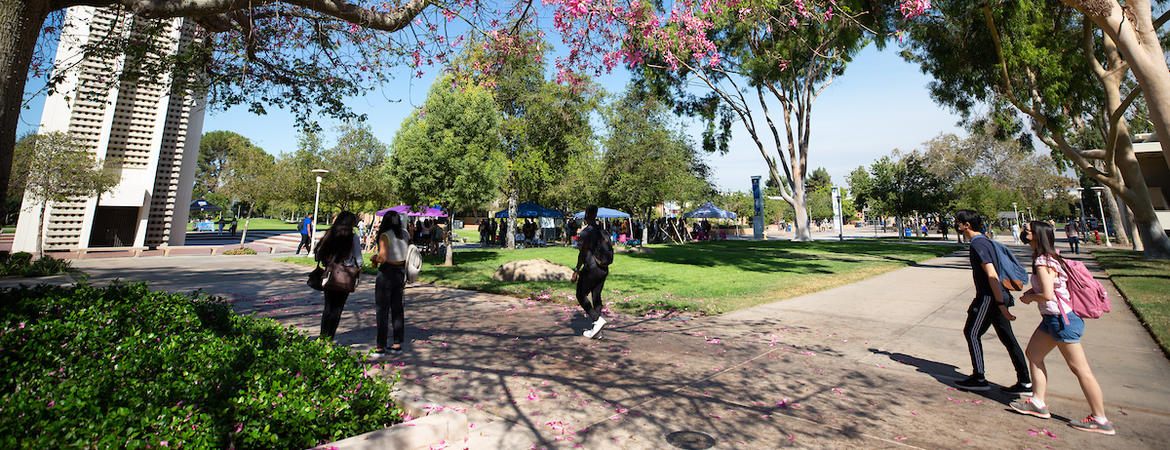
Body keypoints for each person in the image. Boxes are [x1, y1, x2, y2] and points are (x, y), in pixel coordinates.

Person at [1009, 221, 1114, 435]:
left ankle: (1100, 419)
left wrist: (1030, 298)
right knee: (1034, 354)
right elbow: (1054, 288)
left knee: (1080, 370)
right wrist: (1033, 292)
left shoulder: (1042, 261)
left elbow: (1048, 295)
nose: (1023, 232)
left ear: (1036, 235)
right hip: (1052, 319)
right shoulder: (1050, 257)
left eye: (1027, 230)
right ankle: (1037, 402)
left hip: (1061, 320)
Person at [953, 209, 1032, 394]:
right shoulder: (984, 241)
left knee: (972, 333)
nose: (956, 225)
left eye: (958, 222)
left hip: (989, 297)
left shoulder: (978, 244)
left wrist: (1000, 303)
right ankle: (1025, 381)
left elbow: (992, 275)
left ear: (967, 225)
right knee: (1007, 338)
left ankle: (979, 377)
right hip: (997, 296)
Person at [314, 211, 363, 340]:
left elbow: (318, 253)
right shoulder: (353, 238)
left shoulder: (330, 234)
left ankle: (322, 337)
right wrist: (358, 272)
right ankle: (330, 338)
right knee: (338, 309)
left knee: (328, 307)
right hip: (345, 276)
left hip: (330, 274)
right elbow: (359, 260)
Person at [369, 212, 410, 356]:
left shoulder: (385, 235)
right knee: (397, 308)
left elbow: (383, 258)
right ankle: (397, 343)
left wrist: (374, 258)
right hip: (400, 272)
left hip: (387, 272)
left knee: (382, 310)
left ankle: (380, 346)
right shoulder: (404, 234)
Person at [572, 205, 611, 339]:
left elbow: (582, 253)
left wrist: (576, 270)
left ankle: (597, 320)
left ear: (587, 215)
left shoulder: (586, 233)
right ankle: (597, 331)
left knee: (580, 294)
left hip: (591, 269)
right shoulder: (603, 231)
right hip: (604, 268)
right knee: (596, 296)